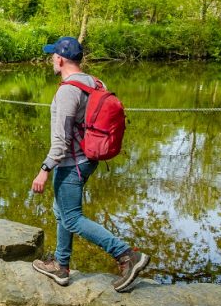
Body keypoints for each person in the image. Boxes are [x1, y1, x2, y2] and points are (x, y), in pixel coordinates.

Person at [31, 36, 149, 292]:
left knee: (72, 218)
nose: (52, 59)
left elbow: (60, 142)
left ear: (60, 59)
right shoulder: (95, 83)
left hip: (71, 163)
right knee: (61, 211)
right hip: (90, 158)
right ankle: (61, 266)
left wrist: (44, 170)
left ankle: (127, 255)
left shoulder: (67, 92)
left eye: (53, 56)